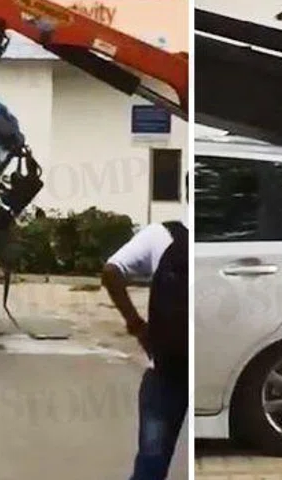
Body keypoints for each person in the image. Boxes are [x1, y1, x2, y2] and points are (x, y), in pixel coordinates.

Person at [102, 175, 188, 480]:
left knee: (152, 461)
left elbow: (111, 271)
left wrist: (136, 325)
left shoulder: (161, 235)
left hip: (166, 368)